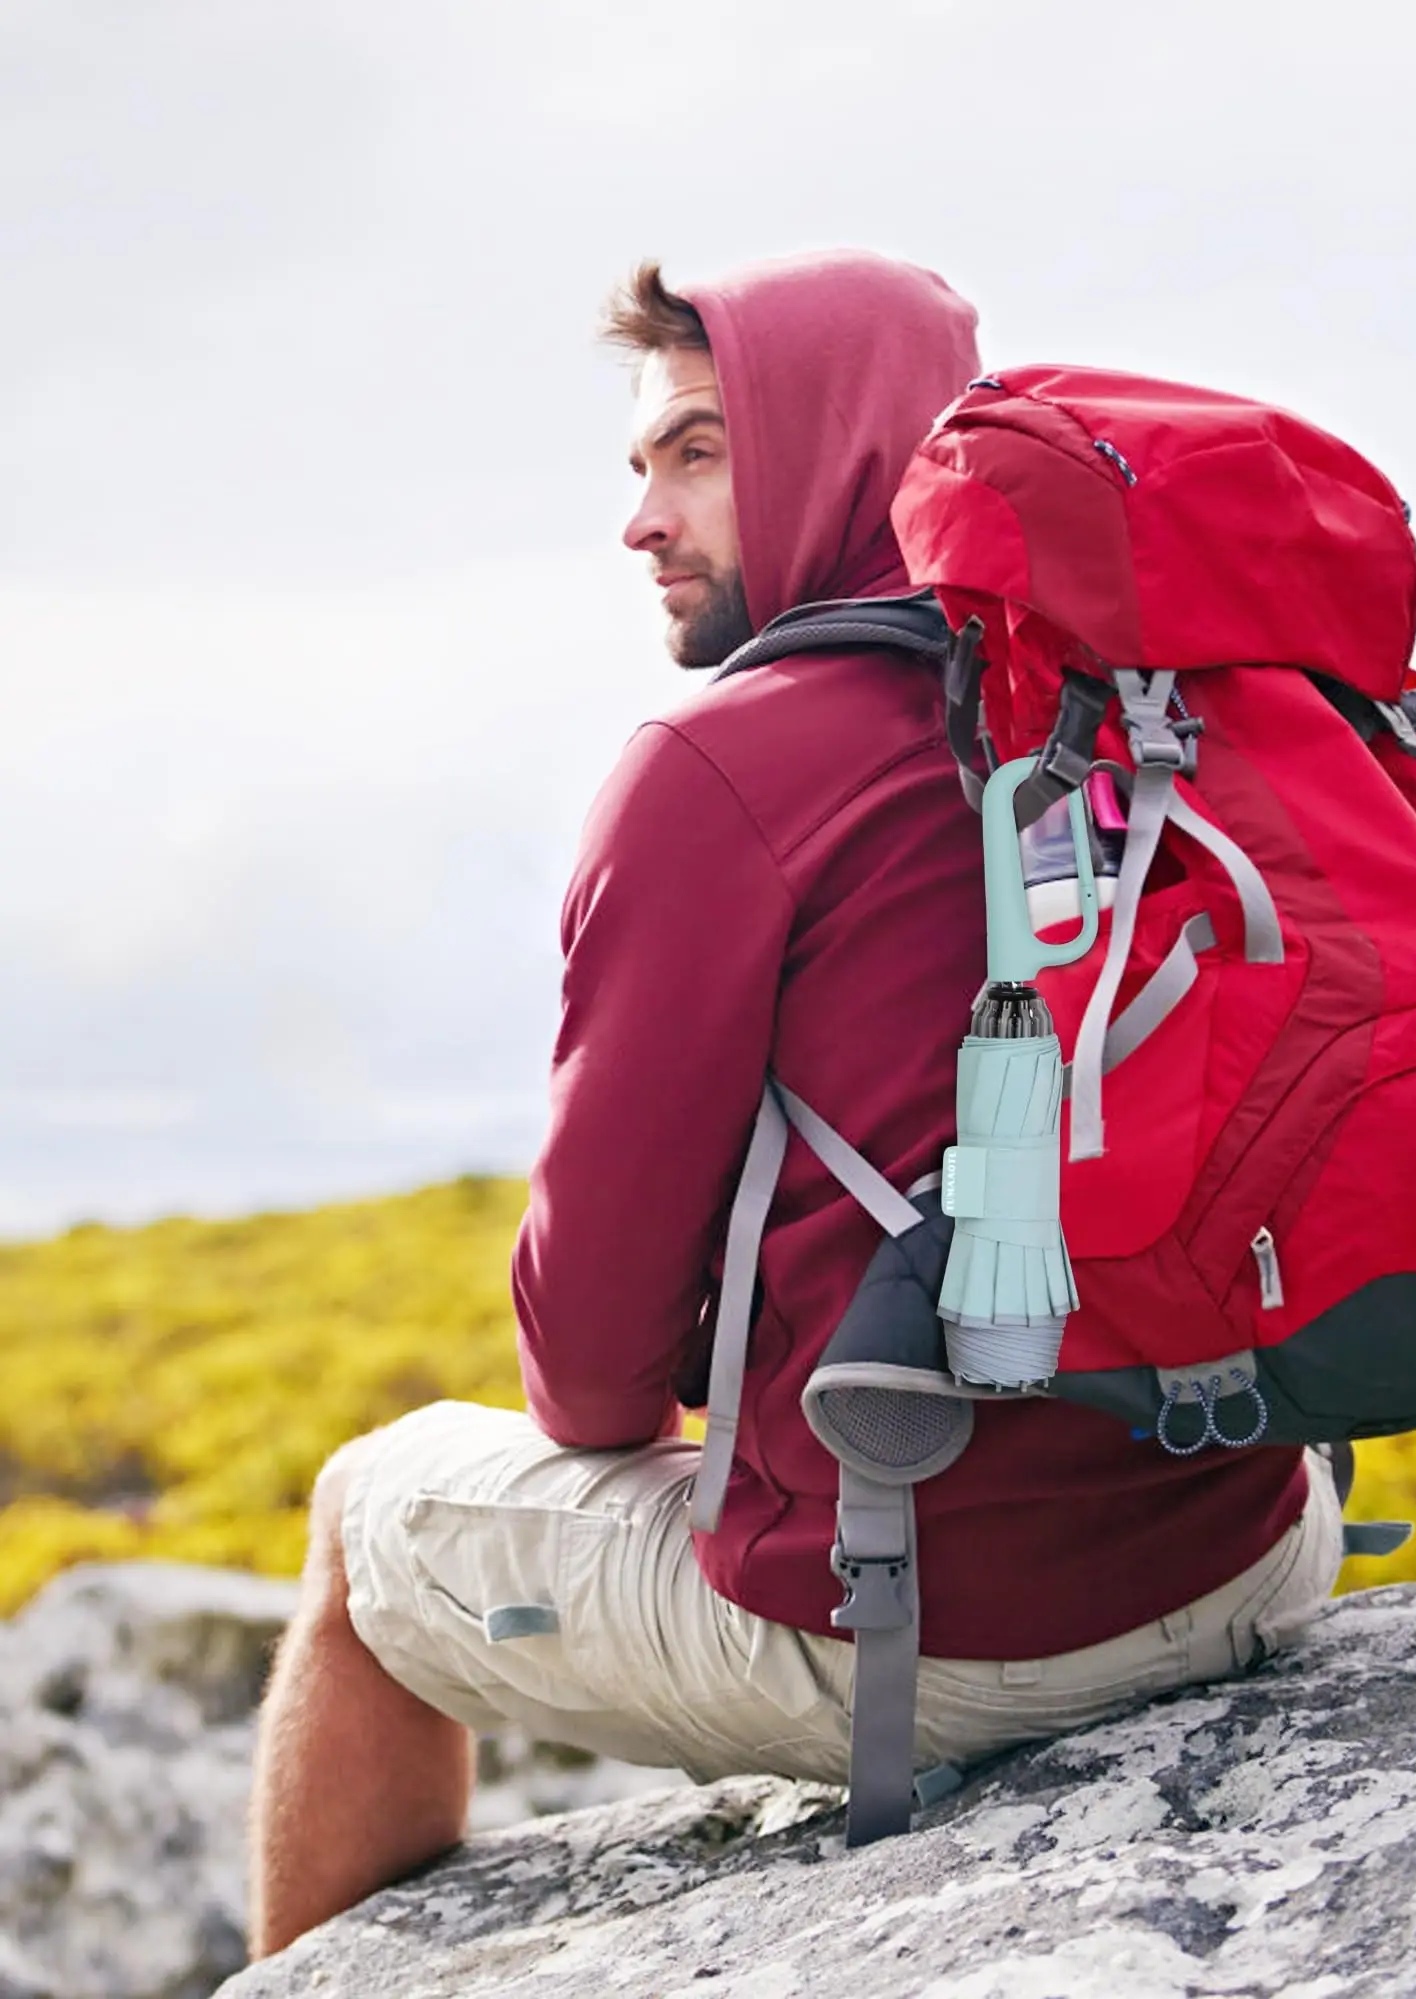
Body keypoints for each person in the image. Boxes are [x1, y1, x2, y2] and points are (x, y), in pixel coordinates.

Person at [247, 249, 1344, 1956]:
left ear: (838, 447)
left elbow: (589, 1376)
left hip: (953, 1632)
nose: (643, 519)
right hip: (1255, 1544)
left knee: (362, 1519)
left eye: (697, 451)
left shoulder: (717, 771)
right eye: (639, 466)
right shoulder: (1153, 703)